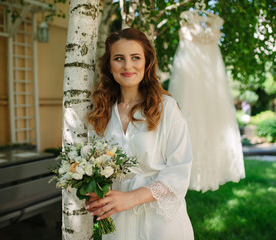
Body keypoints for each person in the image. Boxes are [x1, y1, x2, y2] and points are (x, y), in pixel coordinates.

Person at [85, 28, 194, 240]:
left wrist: (132, 198)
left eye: (135, 57)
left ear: (147, 62)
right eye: (119, 58)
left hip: (161, 222)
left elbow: (179, 171)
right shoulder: (100, 112)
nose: (127, 66)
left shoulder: (166, 108)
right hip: (117, 221)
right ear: (109, 65)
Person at [168, 10, 245, 192]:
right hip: (190, 76)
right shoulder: (186, 19)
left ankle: (210, 169)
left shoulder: (215, 22)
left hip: (211, 75)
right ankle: (185, 168)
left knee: (214, 120)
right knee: (189, 118)